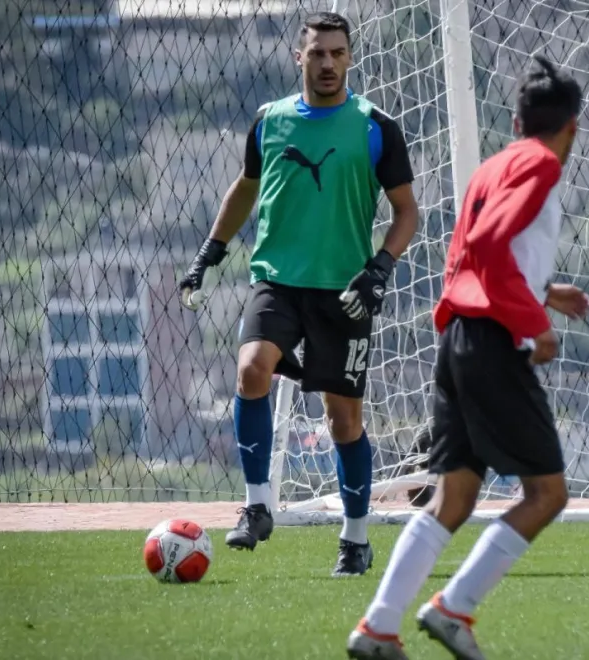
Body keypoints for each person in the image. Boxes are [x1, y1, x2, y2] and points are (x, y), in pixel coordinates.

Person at [346, 54, 589, 660]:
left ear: (514, 119)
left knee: (455, 497)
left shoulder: (494, 166)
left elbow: (470, 256)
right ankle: (453, 608)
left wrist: (544, 291)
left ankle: (378, 627)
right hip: (491, 343)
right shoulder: (542, 164)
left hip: (457, 339)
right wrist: (536, 324)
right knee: (547, 495)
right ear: (573, 129)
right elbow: (486, 243)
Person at [177, 11, 419, 577]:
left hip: (344, 292)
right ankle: (258, 505)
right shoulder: (270, 120)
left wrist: (380, 266)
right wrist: (210, 250)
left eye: (337, 53)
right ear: (299, 58)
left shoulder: (375, 126)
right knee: (251, 369)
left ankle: (355, 541)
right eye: (317, 53)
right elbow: (246, 187)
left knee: (343, 422)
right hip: (277, 281)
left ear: (350, 58)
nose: (327, 63)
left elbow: (407, 211)